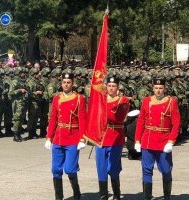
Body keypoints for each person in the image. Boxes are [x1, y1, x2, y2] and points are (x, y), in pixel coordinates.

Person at [135, 78, 181, 200]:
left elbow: (176, 123)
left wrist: (171, 141)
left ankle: (167, 197)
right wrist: (137, 140)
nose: (158, 91)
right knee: (146, 170)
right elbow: (140, 121)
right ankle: (147, 197)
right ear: (153, 88)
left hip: (163, 141)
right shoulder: (146, 101)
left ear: (164, 89)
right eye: (156, 88)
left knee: (166, 170)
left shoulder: (172, 102)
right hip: (148, 139)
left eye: (161, 88)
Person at [44, 72, 86, 200]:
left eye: (68, 82)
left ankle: (77, 194)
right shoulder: (57, 98)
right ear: (61, 83)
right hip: (59, 137)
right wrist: (48, 137)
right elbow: (53, 119)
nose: (66, 85)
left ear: (72, 84)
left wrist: (82, 138)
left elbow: (83, 119)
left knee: (70, 169)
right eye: (64, 82)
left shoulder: (80, 99)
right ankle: (59, 197)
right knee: (56, 169)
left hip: (73, 138)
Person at [95, 76, 129, 200]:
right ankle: (103, 195)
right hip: (100, 138)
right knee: (101, 168)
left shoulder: (123, 101)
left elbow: (118, 118)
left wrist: (102, 108)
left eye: (114, 86)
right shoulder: (100, 100)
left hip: (115, 138)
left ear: (118, 87)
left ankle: (116, 194)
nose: (111, 88)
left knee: (113, 168)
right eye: (109, 86)